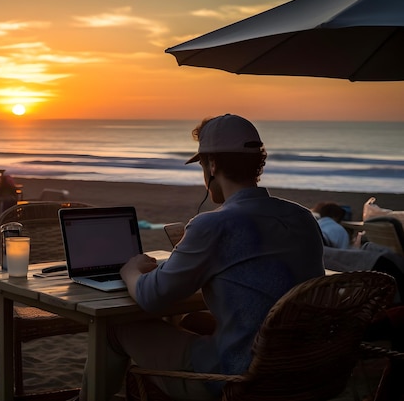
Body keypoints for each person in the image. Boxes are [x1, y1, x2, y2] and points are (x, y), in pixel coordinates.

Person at [75, 114, 325, 401]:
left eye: (203, 165)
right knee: (193, 320)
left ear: (212, 165)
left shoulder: (214, 224)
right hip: (304, 368)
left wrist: (130, 270)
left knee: (115, 329)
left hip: (240, 376)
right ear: (258, 163)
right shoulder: (301, 217)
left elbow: (152, 297)